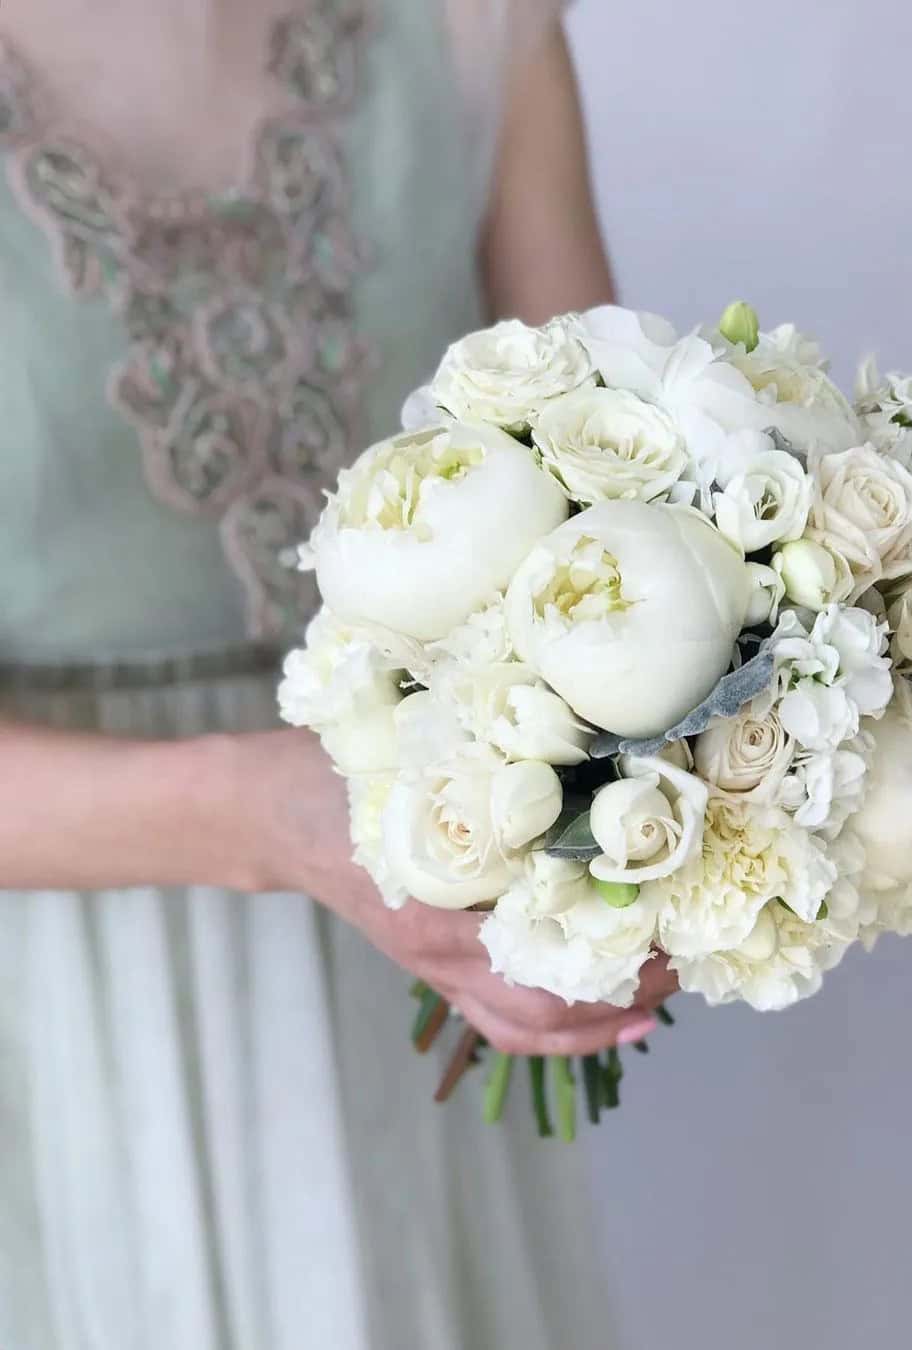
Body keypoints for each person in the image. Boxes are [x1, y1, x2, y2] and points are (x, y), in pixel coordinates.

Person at [0, 2, 675, 1346]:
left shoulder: (478, 26)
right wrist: (266, 814)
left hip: (411, 1005)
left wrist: (647, 831)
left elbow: (627, 524)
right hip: (49, 1050)